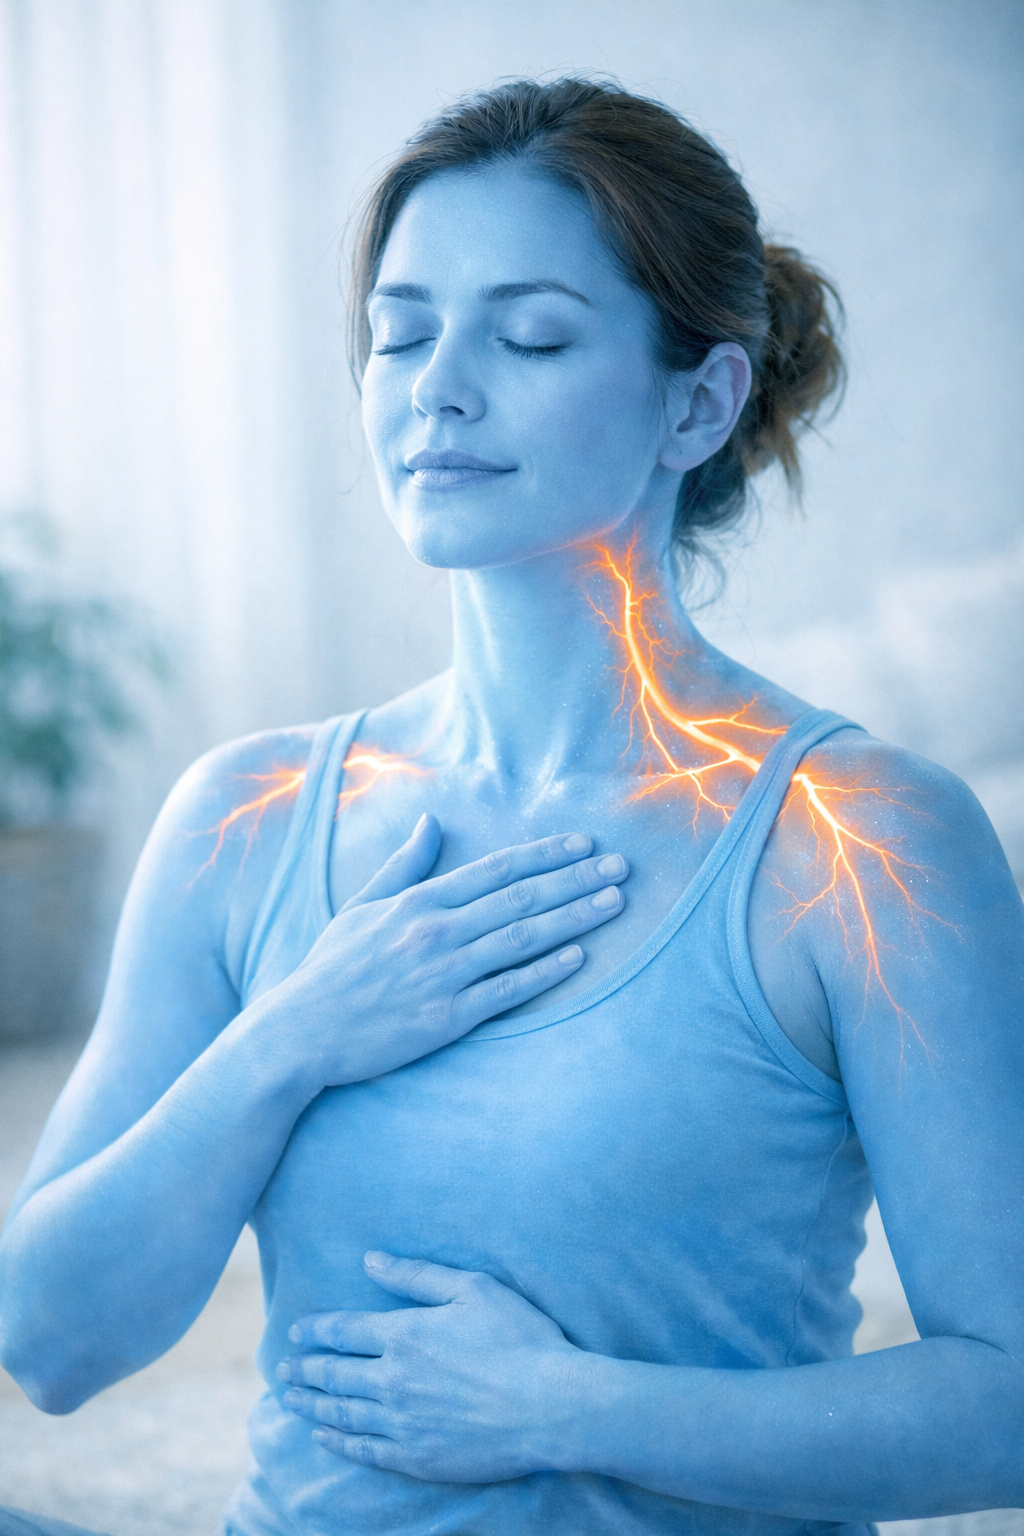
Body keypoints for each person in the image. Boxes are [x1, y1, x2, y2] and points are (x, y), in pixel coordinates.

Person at [0, 77, 1020, 1536]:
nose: (439, 386)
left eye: (529, 334)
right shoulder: (247, 815)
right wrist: (295, 1034)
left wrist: (567, 1407)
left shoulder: (861, 842)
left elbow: (1009, 1401)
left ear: (700, 399)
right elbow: (48, 1343)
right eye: (401, 333)